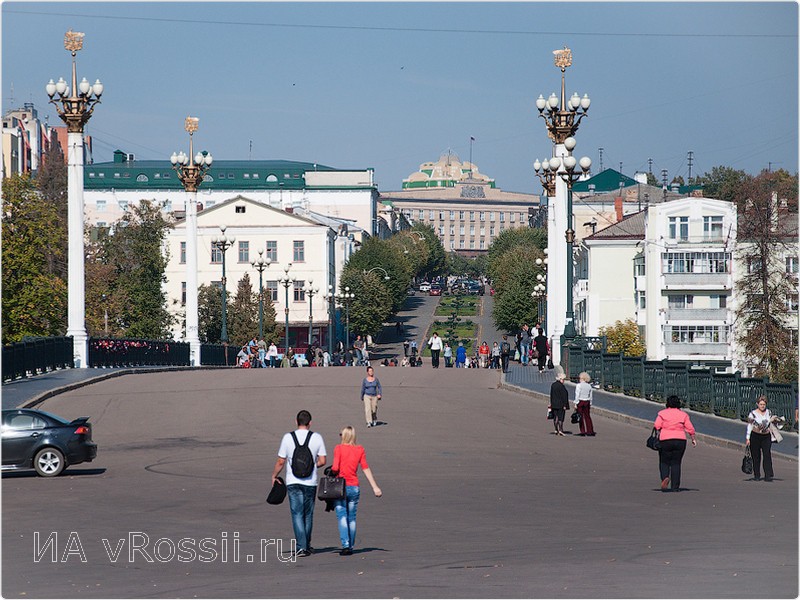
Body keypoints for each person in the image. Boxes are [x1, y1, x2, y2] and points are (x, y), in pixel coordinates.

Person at [271, 410, 327, 557]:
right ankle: (307, 544)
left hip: (293, 481)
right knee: (308, 514)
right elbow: (322, 461)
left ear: (296, 422)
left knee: (297, 513)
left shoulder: (288, 438)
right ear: (310, 423)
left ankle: (301, 546)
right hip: (310, 482)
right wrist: (311, 466)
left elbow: (281, 461)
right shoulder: (317, 437)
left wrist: (274, 475)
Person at [331, 426, 382, 555]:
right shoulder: (359, 450)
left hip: (340, 487)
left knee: (342, 516)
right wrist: (375, 487)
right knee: (352, 517)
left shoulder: (339, 448)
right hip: (354, 486)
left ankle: (346, 545)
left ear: (344, 436)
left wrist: (332, 471)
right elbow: (365, 468)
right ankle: (351, 545)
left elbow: (335, 467)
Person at [654, 395, 697, 492]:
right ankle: (675, 487)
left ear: (667, 403)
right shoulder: (683, 415)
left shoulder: (662, 413)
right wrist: (693, 438)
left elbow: (657, 425)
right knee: (676, 463)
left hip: (665, 439)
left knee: (664, 461)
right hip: (680, 440)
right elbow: (690, 428)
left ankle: (665, 477)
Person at [746, 395, 780, 482]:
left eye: (764, 404)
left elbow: (771, 424)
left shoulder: (769, 412)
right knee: (756, 456)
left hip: (766, 436)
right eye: (761, 404)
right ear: (757, 404)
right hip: (755, 435)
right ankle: (757, 474)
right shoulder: (752, 414)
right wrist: (748, 438)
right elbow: (750, 426)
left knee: (767, 455)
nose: (762, 406)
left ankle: (768, 475)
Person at [574, 371, 596, 436]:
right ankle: (590, 431)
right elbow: (590, 396)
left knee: (580, 416)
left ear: (582, 379)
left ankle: (582, 431)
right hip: (587, 401)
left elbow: (577, 394)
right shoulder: (589, 386)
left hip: (580, 401)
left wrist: (575, 403)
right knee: (587, 416)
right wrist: (590, 403)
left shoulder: (578, 385)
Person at [549, 367, 570, 436]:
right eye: (563, 379)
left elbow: (551, 395)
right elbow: (564, 396)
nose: (563, 381)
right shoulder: (561, 386)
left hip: (554, 403)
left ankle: (556, 429)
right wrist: (565, 405)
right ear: (561, 379)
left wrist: (551, 403)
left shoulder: (553, 385)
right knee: (561, 417)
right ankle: (561, 430)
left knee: (555, 417)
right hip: (561, 404)